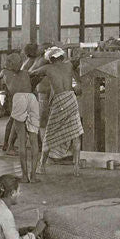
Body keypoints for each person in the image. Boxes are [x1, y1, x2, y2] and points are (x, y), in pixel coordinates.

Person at [31, 47, 84, 176]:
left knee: (49, 134)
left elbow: (31, 73)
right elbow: (76, 69)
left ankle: (41, 166)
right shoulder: (69, 65)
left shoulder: (47, 68)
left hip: (60, 101)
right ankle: (76, 168)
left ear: (50, 59)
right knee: (75, 133)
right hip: (71, 99)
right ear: (61, 57)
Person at [2, 51, 40, 182]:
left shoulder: (5, 73)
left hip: (19, 99)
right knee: (34, 140)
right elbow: (37, 74)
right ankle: (33, 176)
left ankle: (24, 176)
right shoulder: (26, 73)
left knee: (22, 141)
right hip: (32, 99)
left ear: (9, 64)